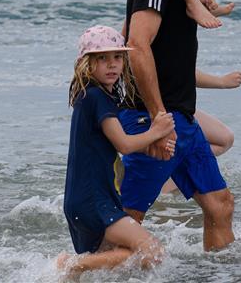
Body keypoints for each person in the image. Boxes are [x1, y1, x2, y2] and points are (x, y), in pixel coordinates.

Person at [119, 0, 241, 251]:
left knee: (220, 205)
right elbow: (136, 45)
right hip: (153, 118)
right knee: (127, 222)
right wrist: (159, 119)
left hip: (182, 117)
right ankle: (73, 272)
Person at [59, 25, 175, 278]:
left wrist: (150, 145)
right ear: (87, 64)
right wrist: (158, 130)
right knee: (153, 252)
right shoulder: (96, 97)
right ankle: (70, 263)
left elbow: (111, 145)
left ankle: (73, 266)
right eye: (102, 58)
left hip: (88, 198)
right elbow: (123, 144)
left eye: (118, 58)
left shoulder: (92, 97)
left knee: (111, 264)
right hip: (92, 199)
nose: (112, 65)